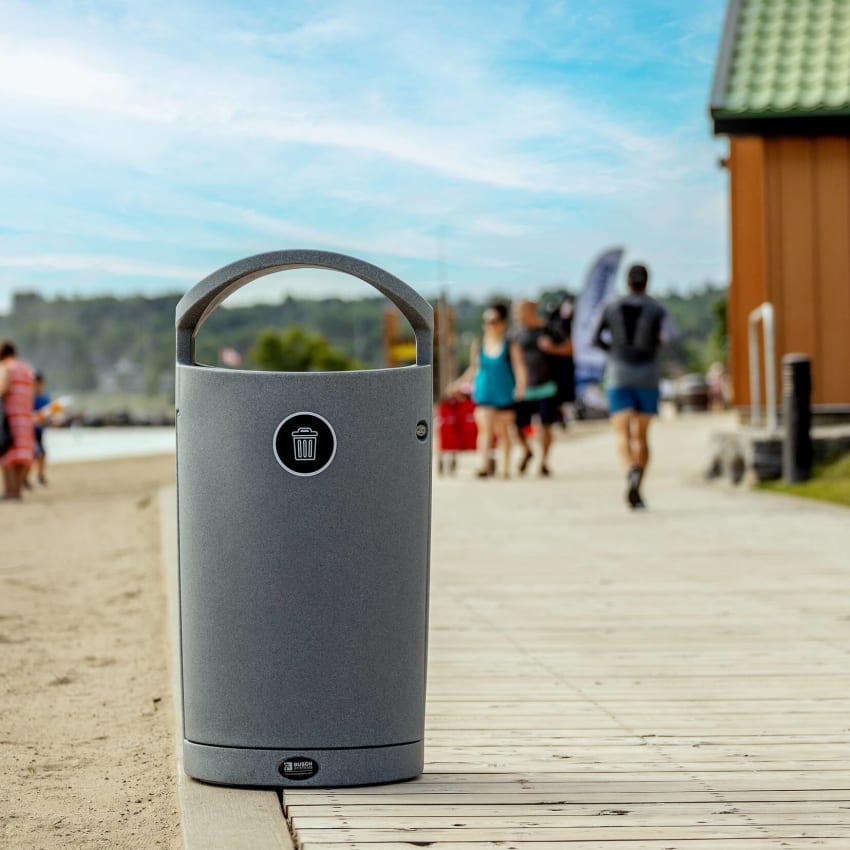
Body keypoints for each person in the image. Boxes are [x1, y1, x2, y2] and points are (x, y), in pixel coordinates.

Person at [592, 263, 674, 509]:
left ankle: (630, 469)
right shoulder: (657, 308)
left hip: (618, 373)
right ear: (647, 282)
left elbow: (594, 338)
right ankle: (639, 481)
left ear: (627, 282)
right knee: (642, 435)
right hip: (647, 374)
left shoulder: (611, 305)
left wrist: (615, 351)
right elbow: (669, 337)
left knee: (622, 433)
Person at [451, 303, 527, 478]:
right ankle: (484, 465)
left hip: (505, 393)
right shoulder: (478, 345)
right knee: (485, 429)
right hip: (484, 392)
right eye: (486, 321)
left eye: (493, 320)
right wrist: (460, 383)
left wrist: (521, 387)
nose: (489, 325)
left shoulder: (510, 345)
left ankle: (505, 469)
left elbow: (519, 368)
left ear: (502, 322)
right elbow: (474, 368)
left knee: (503, 431)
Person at [512, 299, 573, 477]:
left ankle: (544, 461)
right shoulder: (517, 334)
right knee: (518, 426)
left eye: (520, 310)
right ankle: (527, 451)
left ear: (532, 310)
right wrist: (519, 385)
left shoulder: (550, 329)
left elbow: (570, 348)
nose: (517, 315)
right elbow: (517, 361)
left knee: (545, 426)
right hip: (527, 387)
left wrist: (552, 348)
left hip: (548, 385)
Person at [0, 341, 36, 500]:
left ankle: (9, 491)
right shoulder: (26, 369)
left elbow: (4, 388)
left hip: (9, 416)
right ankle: (17, 491)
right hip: (26, 416)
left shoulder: (6, 367)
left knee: (7, 453)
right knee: (22, 453)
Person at [31, 371, 51, 486]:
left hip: (40, 430)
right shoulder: (30, 396)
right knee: (35, 454)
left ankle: (40, 475)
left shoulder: (45, 396)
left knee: (42, 454)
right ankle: (27, 478)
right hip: (30, 430)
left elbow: (49, 412)